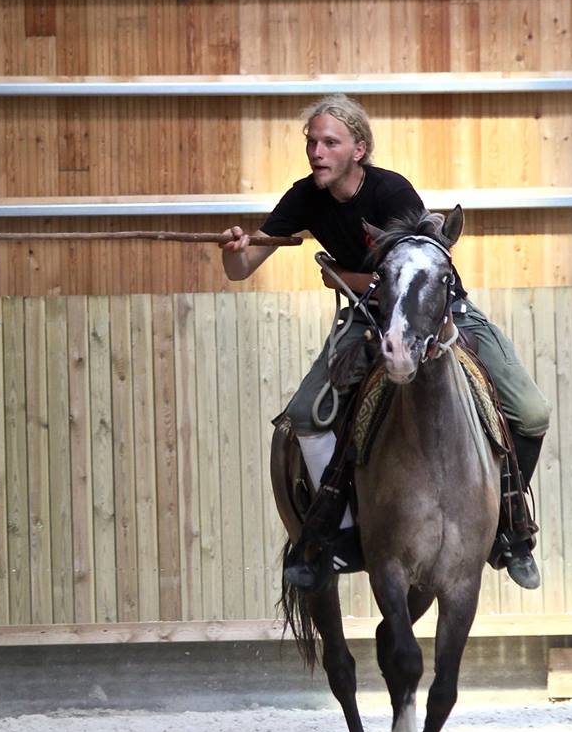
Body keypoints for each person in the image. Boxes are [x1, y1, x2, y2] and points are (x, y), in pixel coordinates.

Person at [220, 94, 550, 592]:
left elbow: (415, 269)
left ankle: (511, 528)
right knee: (307, 417)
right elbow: (242, 270)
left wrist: (342, 276)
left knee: (531, 411)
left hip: (436, 313)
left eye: (329, 142)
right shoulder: (304, 197)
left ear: (359, 148)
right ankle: (337, 533)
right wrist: (234, 251)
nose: (316, 152)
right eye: (311, 142)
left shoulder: (392, 191)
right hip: (367, 319)